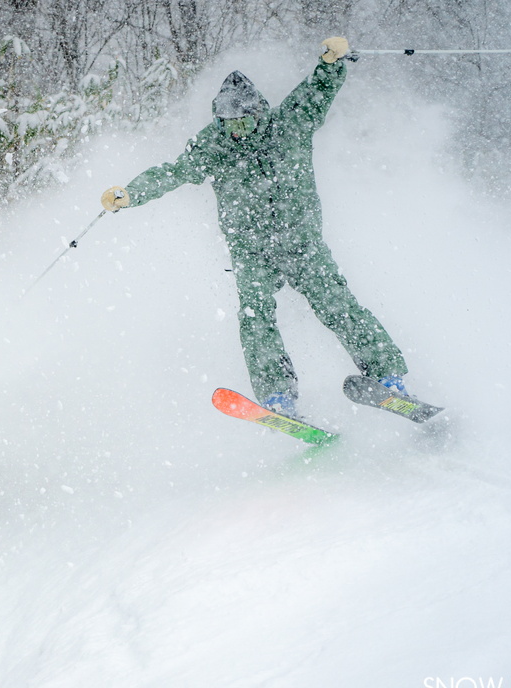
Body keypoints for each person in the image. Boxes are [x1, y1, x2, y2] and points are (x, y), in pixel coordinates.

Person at [101, 37, 410, 418]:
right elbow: (174, 172)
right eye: (231, 123)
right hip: (251, 250)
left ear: (260, 113)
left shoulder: (288, 125)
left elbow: (316, 90)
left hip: (301, 241)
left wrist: (330, 62)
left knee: (337, 306)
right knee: (255, 317)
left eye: (246, 121)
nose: (239, 130)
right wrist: (130, 193)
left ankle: (388, 376)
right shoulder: (214, 146)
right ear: (220, 121)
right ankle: (278, 396)